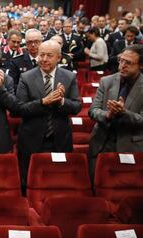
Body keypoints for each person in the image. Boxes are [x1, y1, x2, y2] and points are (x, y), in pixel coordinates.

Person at [16, 40, 81, 187]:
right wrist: (43, 102)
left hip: (60, 137)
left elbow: (77, 107)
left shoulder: (69, 77)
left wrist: (61, 101)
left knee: (58, 180)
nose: (44, 59)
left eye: (49, 56)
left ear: (58, 58)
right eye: (41, 55)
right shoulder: (26, 77)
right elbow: (19, 109)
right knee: (30, 181)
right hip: (31, 137)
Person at [89, 45, 143, 177]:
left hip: (130, 146)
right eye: (121, 60)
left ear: (140, 65)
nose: (122, 65)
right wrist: (107, 114)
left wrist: (124, 112)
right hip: (101, 144)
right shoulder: (106, 81)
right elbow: (93, 110)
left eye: (128, 62)